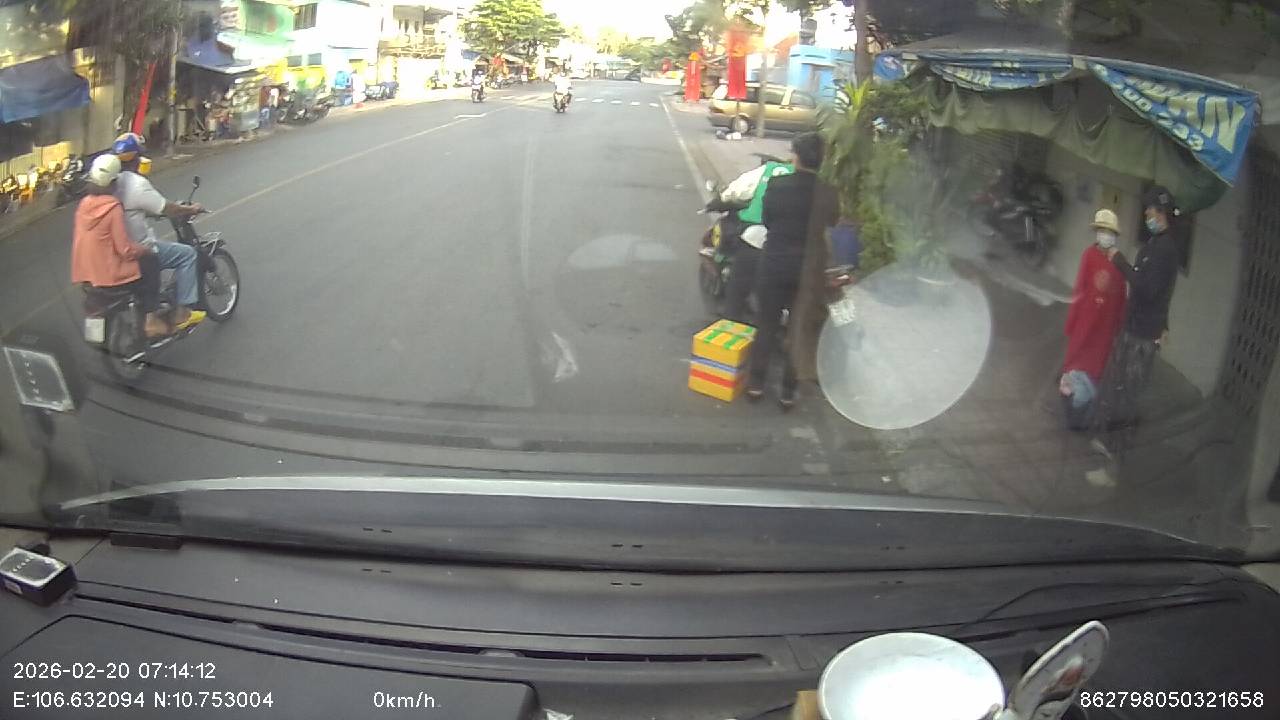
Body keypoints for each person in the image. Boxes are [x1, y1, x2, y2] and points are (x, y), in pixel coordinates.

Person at [1089, 186, 1183, 479]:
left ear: (1161, 213)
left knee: (1128, 396)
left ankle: (1113, 468)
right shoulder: (1156, 244)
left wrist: (1119, 261)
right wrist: (1165, 324)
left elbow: (1147, 289)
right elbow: (1163, 293)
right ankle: (1106, 444)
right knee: (1116, 387)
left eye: (1150, 210)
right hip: (1134, 329)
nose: (1146, 215)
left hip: (1142, 336)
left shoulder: (1166, 250)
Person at [747, 132, 837, 409]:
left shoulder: (777, 185)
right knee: (799, 331)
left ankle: (756, 385)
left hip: (775, 263)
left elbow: (767, 220)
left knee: (766, 324)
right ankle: (787, 392)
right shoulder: (828, 192)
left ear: (796, 157)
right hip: (808, 271)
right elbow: (832, 221)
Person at [111, 133, 206, 331]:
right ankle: (181, 313)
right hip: (139, 249)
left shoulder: (112, 184)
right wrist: (190, 209)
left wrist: (149, 213)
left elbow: (131, 209)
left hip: (115, 250)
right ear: (138, 158)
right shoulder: (137, 184)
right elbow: (167, 208)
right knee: (188, 254)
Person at [70, 155, 168, 338]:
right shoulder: (113, 207)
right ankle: (151, 319)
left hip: (88, 273)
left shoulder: (84, 204)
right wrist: (144, 249)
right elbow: (125, 249)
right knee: (151, 261)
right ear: (113, 181)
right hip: (111, 275)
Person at [1060, 208, 1128, 431]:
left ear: (1115, 235)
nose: (1104, 235)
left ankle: (1082, 415)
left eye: (1109, 231)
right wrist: (1072, 322)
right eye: (1101, 230)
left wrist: (1119, 326)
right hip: (1085, 323)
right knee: (1075, 366)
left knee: (1093, 372)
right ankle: (1071, 411)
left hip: (1104, 329)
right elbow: (1080, 288)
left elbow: (1121, 297)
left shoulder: (1119, 261)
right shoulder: (1089, 255)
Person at [717, 158, 795, 322]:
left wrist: (723, 196)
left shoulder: (768, 170)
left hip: (758, 238)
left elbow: (737, 190)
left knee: (737, 288)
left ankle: (731, 319)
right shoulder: (815, 180)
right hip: (794, 248)